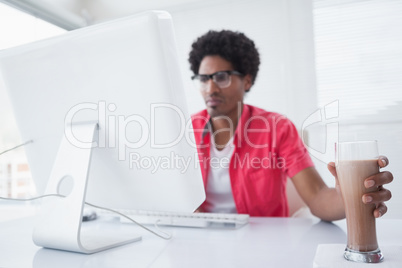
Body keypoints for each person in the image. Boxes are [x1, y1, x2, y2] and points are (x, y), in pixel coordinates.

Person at [188, 30, 393, 221]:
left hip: (263, 243)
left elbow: (317, 196)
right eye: (203, 79)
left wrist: (354, 195)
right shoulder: (187, 129)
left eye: (221, 77)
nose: (210, 88)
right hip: (203, 240)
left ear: (247, 81)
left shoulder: (277, 128)